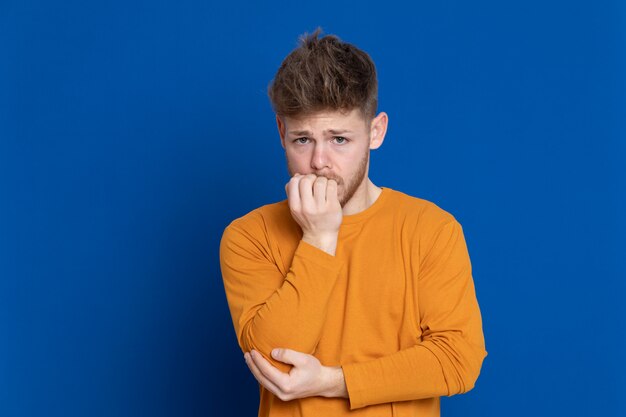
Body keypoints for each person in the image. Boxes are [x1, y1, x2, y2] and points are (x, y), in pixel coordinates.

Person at [219, 28, 487, 417]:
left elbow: (459, 360)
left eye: (339, 139)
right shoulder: (249, 236)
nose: (319, 162)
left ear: (375, 132)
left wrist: (334, 381)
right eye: (302, 140)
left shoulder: (431, 230)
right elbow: (273, 365)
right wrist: (319, 236)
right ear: (281, 133)